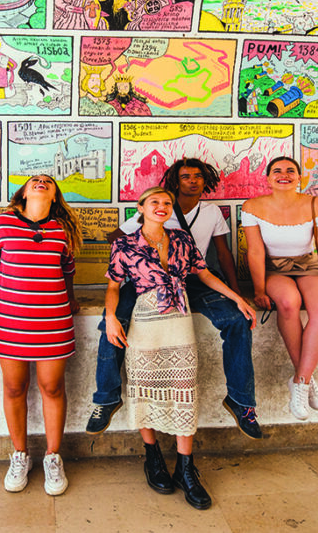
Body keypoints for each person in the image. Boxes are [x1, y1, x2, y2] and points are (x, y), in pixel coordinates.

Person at [88, 158, 262, 440]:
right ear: (175, 181)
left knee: (237, 319)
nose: (192, 181)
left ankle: (241, 401)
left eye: (197, 176)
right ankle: (106, 398)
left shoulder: (211, 212)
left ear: (206, 181)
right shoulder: (155, 206)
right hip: (146, 282)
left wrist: (236, 293)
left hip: (190, 279)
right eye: (185, 177)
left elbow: (222, 255)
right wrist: (138, 235)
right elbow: (116, 239)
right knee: (111, 323)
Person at [105, 187, 256, 510]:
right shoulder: (125, 243)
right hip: (144, 321)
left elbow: (203, 274)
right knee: (143, 387)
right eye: (155, 202)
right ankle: (153, 457)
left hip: (179, 319)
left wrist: (236, 297)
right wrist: (110, 317)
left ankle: (186, 469)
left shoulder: (181, 240)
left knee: (183, 389)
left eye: (166, 203)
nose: (161, 207)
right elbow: (114, 285)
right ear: (141, 208)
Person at [0, 175, 81, 496]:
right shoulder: (1, 224)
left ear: (55, 196)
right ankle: (20, 455)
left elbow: (67, 271)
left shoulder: (62, 229)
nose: (40, 182)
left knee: (52, 387)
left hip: (53, 320)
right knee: (13, 387)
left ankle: (52, 456)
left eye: (48, 182)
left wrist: (72, 297)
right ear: (22, 193)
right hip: (10, 321)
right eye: (35, 180)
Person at [241, 156, 318, 421]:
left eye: (291, 171)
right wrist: (259, 290)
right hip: (272, 269)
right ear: (267, 178)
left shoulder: (316, 204)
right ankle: (306, 379)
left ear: (299, 177)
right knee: (288, 303)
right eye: (277, 171)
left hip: (309, 266)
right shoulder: (252, 206)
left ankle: (300, 381)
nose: (284, 175)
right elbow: (255, 252)